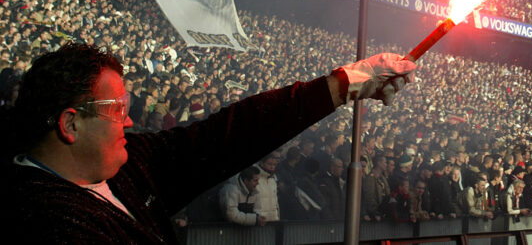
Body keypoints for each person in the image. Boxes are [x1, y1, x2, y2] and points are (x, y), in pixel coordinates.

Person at [0, 41, 415, 243]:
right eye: (115, 109)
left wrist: (342, 85)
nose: (128, 119)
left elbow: (227, 135)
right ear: (70, 125)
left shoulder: (128, 166)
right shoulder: (40, 219)